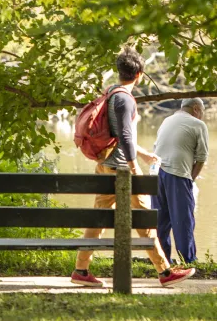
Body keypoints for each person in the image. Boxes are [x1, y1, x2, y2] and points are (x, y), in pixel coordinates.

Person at [71, 47, 195, 288]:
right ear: (139, 74)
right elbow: (125, 136)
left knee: (99, 219)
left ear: (120, 72)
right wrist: (134, 167)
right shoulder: (125, 99)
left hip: (105, 165)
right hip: (122, 170)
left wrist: (143, 153)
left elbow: (116, 136)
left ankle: (81, 269)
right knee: (145, 220)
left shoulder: (110, 93)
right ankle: (165, 272)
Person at [153, 97, 209, 275]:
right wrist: (189, 180)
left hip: (156, 174)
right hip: (177, 174)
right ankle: (188, 261)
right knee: (183, 221)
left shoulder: (166, 120)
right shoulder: (198, 125)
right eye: (202, 112)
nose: (202, 116)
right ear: (195, 109)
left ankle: (163, 262)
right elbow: (201, 158)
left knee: (161, 222)